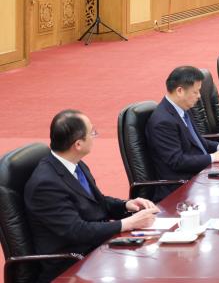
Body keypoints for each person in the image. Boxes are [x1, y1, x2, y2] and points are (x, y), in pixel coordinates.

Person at [24, 110, 160, 282]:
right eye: (92, 133)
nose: (94, 136)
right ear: (78, 144)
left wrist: (127, 205)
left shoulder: (74, 163)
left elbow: (97, 201)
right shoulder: (45, 184)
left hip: (94, 249)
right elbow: (77, 231)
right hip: (71, 264)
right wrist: (127, 223)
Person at [145, 66, 219, 201]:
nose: (199, 96)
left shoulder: (182, 109)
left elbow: (198, 142)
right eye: (195, 92)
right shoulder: (163, 121)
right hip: (182, 187)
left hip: (200, 175)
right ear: (180, 91)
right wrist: (213, 157)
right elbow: (177, 161)